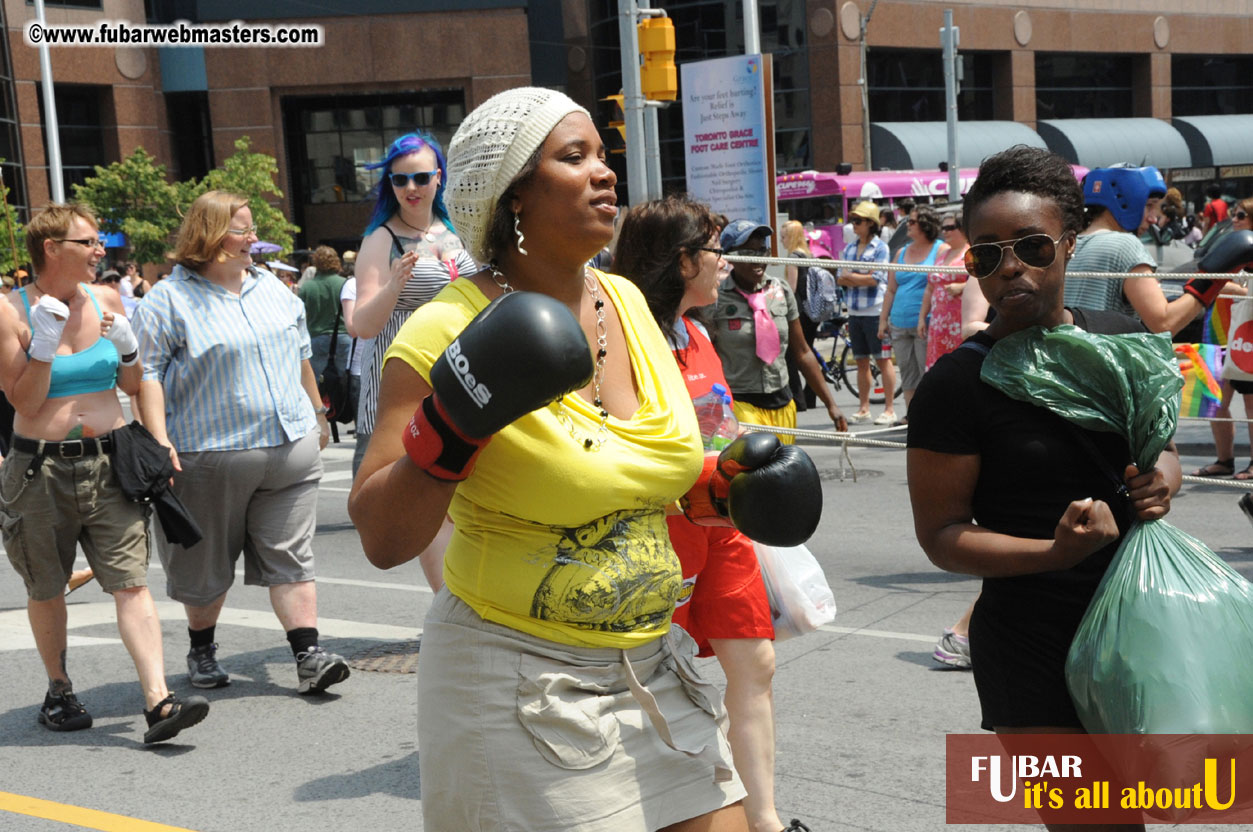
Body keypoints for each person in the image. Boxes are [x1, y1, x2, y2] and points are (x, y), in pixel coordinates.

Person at [350, 86, 785, 831]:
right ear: (513, 192)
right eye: (573, 156)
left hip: (652, 663)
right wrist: (454, 424)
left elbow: (639, 479)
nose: (604, 174)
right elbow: (382, 537)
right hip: (515, 682)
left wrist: (721, 491)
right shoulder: (444, 328)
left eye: (603, 156)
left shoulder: (625, 302)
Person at [908, 148, 1180, 832]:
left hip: (1136, 639)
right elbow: (940, 537)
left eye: (1031, 246)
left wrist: (1162, 480)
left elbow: (1161, 446)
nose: (1010, 268)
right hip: (1031, 652)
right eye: (986, 254)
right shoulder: (955, 386)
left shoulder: (1121, 343)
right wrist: (1049, 553)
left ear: (1068, 245)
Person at [614, 194, 794, 832]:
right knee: (659, 683)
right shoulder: (621, 343)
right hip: (659, 539)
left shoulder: (694, 331)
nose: (727, 262)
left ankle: (764, 818)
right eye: (716, 250)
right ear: (684, 260)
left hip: (724, 530)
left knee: (757, 664)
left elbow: (717, 424)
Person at [0, 203, 209, 743]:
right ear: (52, 249)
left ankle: (158, 700)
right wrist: (43, 347)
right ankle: (60, 690)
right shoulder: (11, 311)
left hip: (110, 462)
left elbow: (136, 382)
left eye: (98, 243)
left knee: (131, 583)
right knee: (46, 587)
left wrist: (128, 348)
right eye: (88, 242)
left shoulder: (109, 298)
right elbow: (22, 398)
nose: (100, 252)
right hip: (39, 469)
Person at [133, 191, 349, 696]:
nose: (254, 238)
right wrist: (158, 440)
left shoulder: (273, 288)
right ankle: (202, 647)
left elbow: (299, 356)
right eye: (243, 229)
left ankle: (308, 654)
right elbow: (148, 375)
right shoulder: (169, 299)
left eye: (253, 229)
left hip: (289, 449)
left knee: (291, 556)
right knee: (205, 566)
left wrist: (317, 415)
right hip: (208, 455)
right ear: (209, 235)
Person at [351, 132, 477, 478]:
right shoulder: (381, 238)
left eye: (421, 177)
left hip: (459, 375)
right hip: (400, 378)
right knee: (391, 488)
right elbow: (361, 325)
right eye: (400, 179)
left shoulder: (459, 228)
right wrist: (393, 286)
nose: (411, 188)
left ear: (438, 177)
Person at [710, 220, 848, 441]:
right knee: (755, 470)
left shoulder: (780, 290)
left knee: (783, 472)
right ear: (730, 256)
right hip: (741, 406)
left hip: (783, 403)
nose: (758, 259)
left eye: (762, 250)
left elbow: (803, 351)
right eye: (748, 252)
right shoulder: (715, 298)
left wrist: (831, 404)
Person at [1064, 165, 1220, 336]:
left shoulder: (1070, 242)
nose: (1153, 218)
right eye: (1149, 206)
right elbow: (1164, 323)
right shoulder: (1125, 245)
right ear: (1124, 201)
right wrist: (1213, 280)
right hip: (1103, 361)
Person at [1192, 196, 1253, 479]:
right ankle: (1224, 460)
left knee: (1251, 405)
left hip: (1246, 336)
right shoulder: (1230, 247)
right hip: (1217, 333)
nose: (1235, 220)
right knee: (1214, 400)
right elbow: (1207, 273)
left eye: (1240, 215)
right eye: (1234, 214)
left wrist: (1230, 286)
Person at [879, 205, 948, 417]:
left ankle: (931, 417)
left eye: (912, 222)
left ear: (926, 225)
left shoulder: (940, 250)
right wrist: (883, 321)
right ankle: (913, 418)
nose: (907, 225)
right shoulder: (900, 252)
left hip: (926, 322)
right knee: (908, 376)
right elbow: (890, 290)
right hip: (899, 323)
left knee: (927, 375)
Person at [837, 200, 896, 425]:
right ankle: (864, 408)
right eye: (853, 220)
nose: (854, 224)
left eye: (858, 221)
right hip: (854, 311)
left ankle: (889, 409)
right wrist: (859, 276)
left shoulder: (881, 247)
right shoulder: (850, 247)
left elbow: (876, 279)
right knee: (860, 360)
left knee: (883, 360)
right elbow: (841, 276)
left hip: (875, 311)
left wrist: (853, 276)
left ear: (871, 223)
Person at [919, 211, 970, 369]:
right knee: (938, 367)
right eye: (943, 227)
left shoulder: (970, 252)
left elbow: (983, 282)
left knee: (959, 366)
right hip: (938, 322)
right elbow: (929, 288)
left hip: (959, 321)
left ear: (962, 229)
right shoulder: (942, 252)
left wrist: (961, 287)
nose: (944, 231)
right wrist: (922, 317)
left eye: (950, 227)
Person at [297, 245, 349, 392]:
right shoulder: (345, 284)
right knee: (344, 381)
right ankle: (343, 411)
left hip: (316, 338)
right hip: (343, 336)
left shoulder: (307, 287)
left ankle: (322, 412)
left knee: (317, 384)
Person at [779, 220, 815, 410]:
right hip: (812, 311)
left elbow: (791, 289)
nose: (782, 240)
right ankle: (811, 397)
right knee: (809, 351)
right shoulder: (808, 254)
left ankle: (798, 399)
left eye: (784, 236)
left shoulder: (793, 257)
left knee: (792, 357)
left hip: (799, 312)